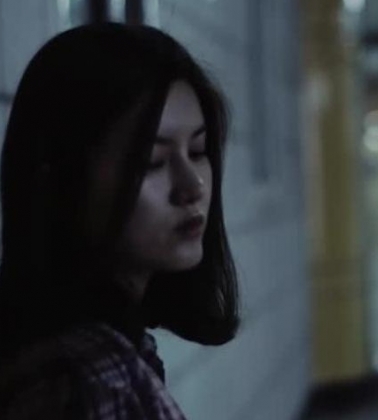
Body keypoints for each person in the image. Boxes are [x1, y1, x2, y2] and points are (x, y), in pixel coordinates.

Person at [0, 23, 239, 419]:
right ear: (62, 181)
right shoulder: (85, 377)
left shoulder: (99, 353)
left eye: (197, 151)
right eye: (152, 161)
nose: (192, 185)